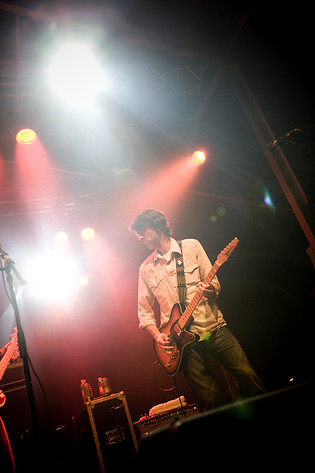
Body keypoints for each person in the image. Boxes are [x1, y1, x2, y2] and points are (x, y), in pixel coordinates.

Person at [129, 208, 265, 411]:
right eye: (137, 233)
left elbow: (215, 286)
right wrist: (157, 335)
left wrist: (209, 290)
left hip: (213, 328)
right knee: (209, 401)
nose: (140, 236)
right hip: (182, 344)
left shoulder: (192, 246)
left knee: (249, 378)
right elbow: (145, 312)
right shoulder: (146, 268)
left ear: (158, 226)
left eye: (143, 230)